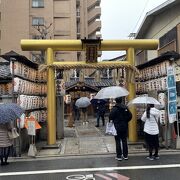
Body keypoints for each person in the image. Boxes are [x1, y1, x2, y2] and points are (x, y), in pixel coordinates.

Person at [109, 97, 132, 161]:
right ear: (121, 101)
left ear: (116, 101)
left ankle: (119, 156)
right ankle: (125, 155)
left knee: (118, 141)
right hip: (124, 126)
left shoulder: (114, 109)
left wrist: (114, 120)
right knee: (124, 140)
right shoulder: (125, 108)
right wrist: (126, 121)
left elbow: (110, 117)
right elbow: (130, 116)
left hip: (117, 126)